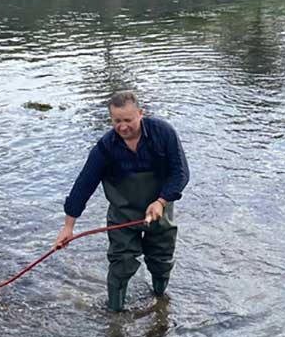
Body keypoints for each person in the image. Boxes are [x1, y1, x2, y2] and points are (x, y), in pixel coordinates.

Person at [56, 91, 189, 312]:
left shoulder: (163, 133)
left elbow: (181, 173)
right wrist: (68, 226)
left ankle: (160, 302)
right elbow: (84, 185)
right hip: (122, 214)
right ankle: (114, 315)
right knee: (121, 263)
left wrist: (161, 201)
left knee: (161, 258)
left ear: (140, 114)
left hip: (159, 209)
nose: (123, 126)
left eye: (128, 120)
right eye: (117, 121)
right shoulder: (106, 147)